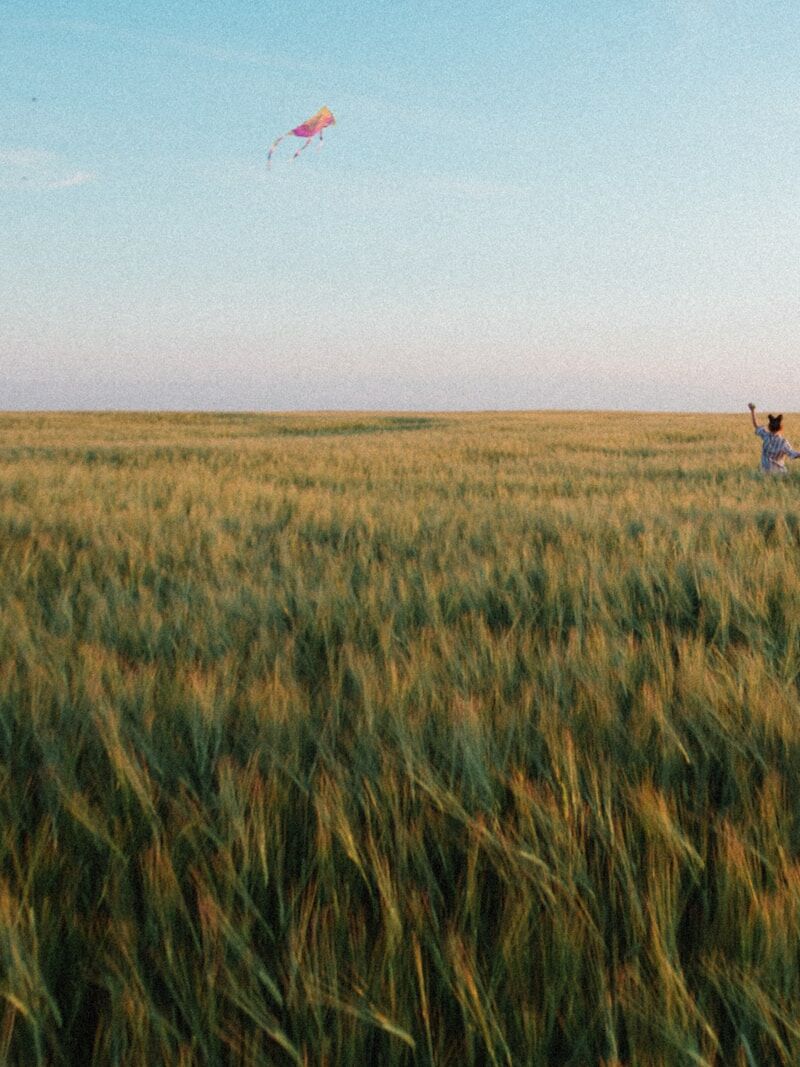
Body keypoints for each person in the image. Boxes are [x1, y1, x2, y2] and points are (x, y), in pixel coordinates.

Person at [748, 403, 800, 474]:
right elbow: (793, 454)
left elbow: (756, 425)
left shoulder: (765, 435)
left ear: (769, 427)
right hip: (780, 473)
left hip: (764, 473)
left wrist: (752, 410)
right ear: (781, 428)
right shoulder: (783, 442)